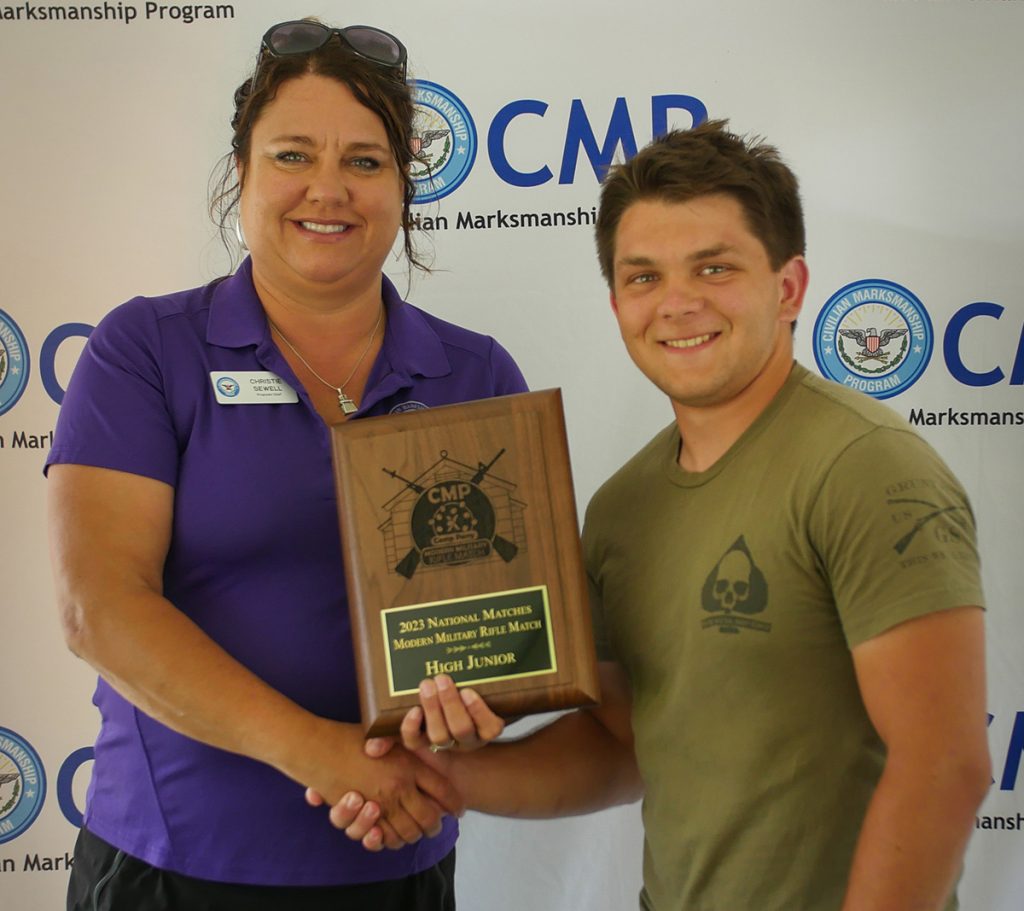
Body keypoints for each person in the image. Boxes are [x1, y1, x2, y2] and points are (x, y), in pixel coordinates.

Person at [328, 121, 991, 911]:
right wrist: (447, 778)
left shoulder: (864, 468)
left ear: (788, 287)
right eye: (644, 278)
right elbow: (619, 747)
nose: (677, 303)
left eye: (714, 268)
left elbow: (944, 764)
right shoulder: (622, 509)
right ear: (616, 303)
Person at [45, 18, 526, 911]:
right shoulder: (147, 350)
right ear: (244, 173)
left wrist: (470, 715)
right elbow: (98, 607)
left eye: (366, 161)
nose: (329, 189)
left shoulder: (476, 375)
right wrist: (325, 754)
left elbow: (495, 630)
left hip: (397, 861)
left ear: (403, 185)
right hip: (171, 867)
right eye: (294, 154)